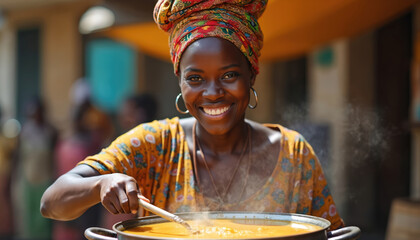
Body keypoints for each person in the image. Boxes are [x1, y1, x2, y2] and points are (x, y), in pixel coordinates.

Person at [41, 0, 344, 231]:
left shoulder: (293, 152)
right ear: (180, 82)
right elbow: (52, 202)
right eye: (195, 78)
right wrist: (100, 184)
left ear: (252, 76)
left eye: (229, 75)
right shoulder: (155, 145)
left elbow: (329, 234)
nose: (212, 93)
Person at [13, 97, 57, 239]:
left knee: (43, 218)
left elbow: (54, 156)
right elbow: (18, 156)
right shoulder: (25, 132)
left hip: (45, 181)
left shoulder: (50, 132)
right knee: (28, 217)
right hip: (28, 180)